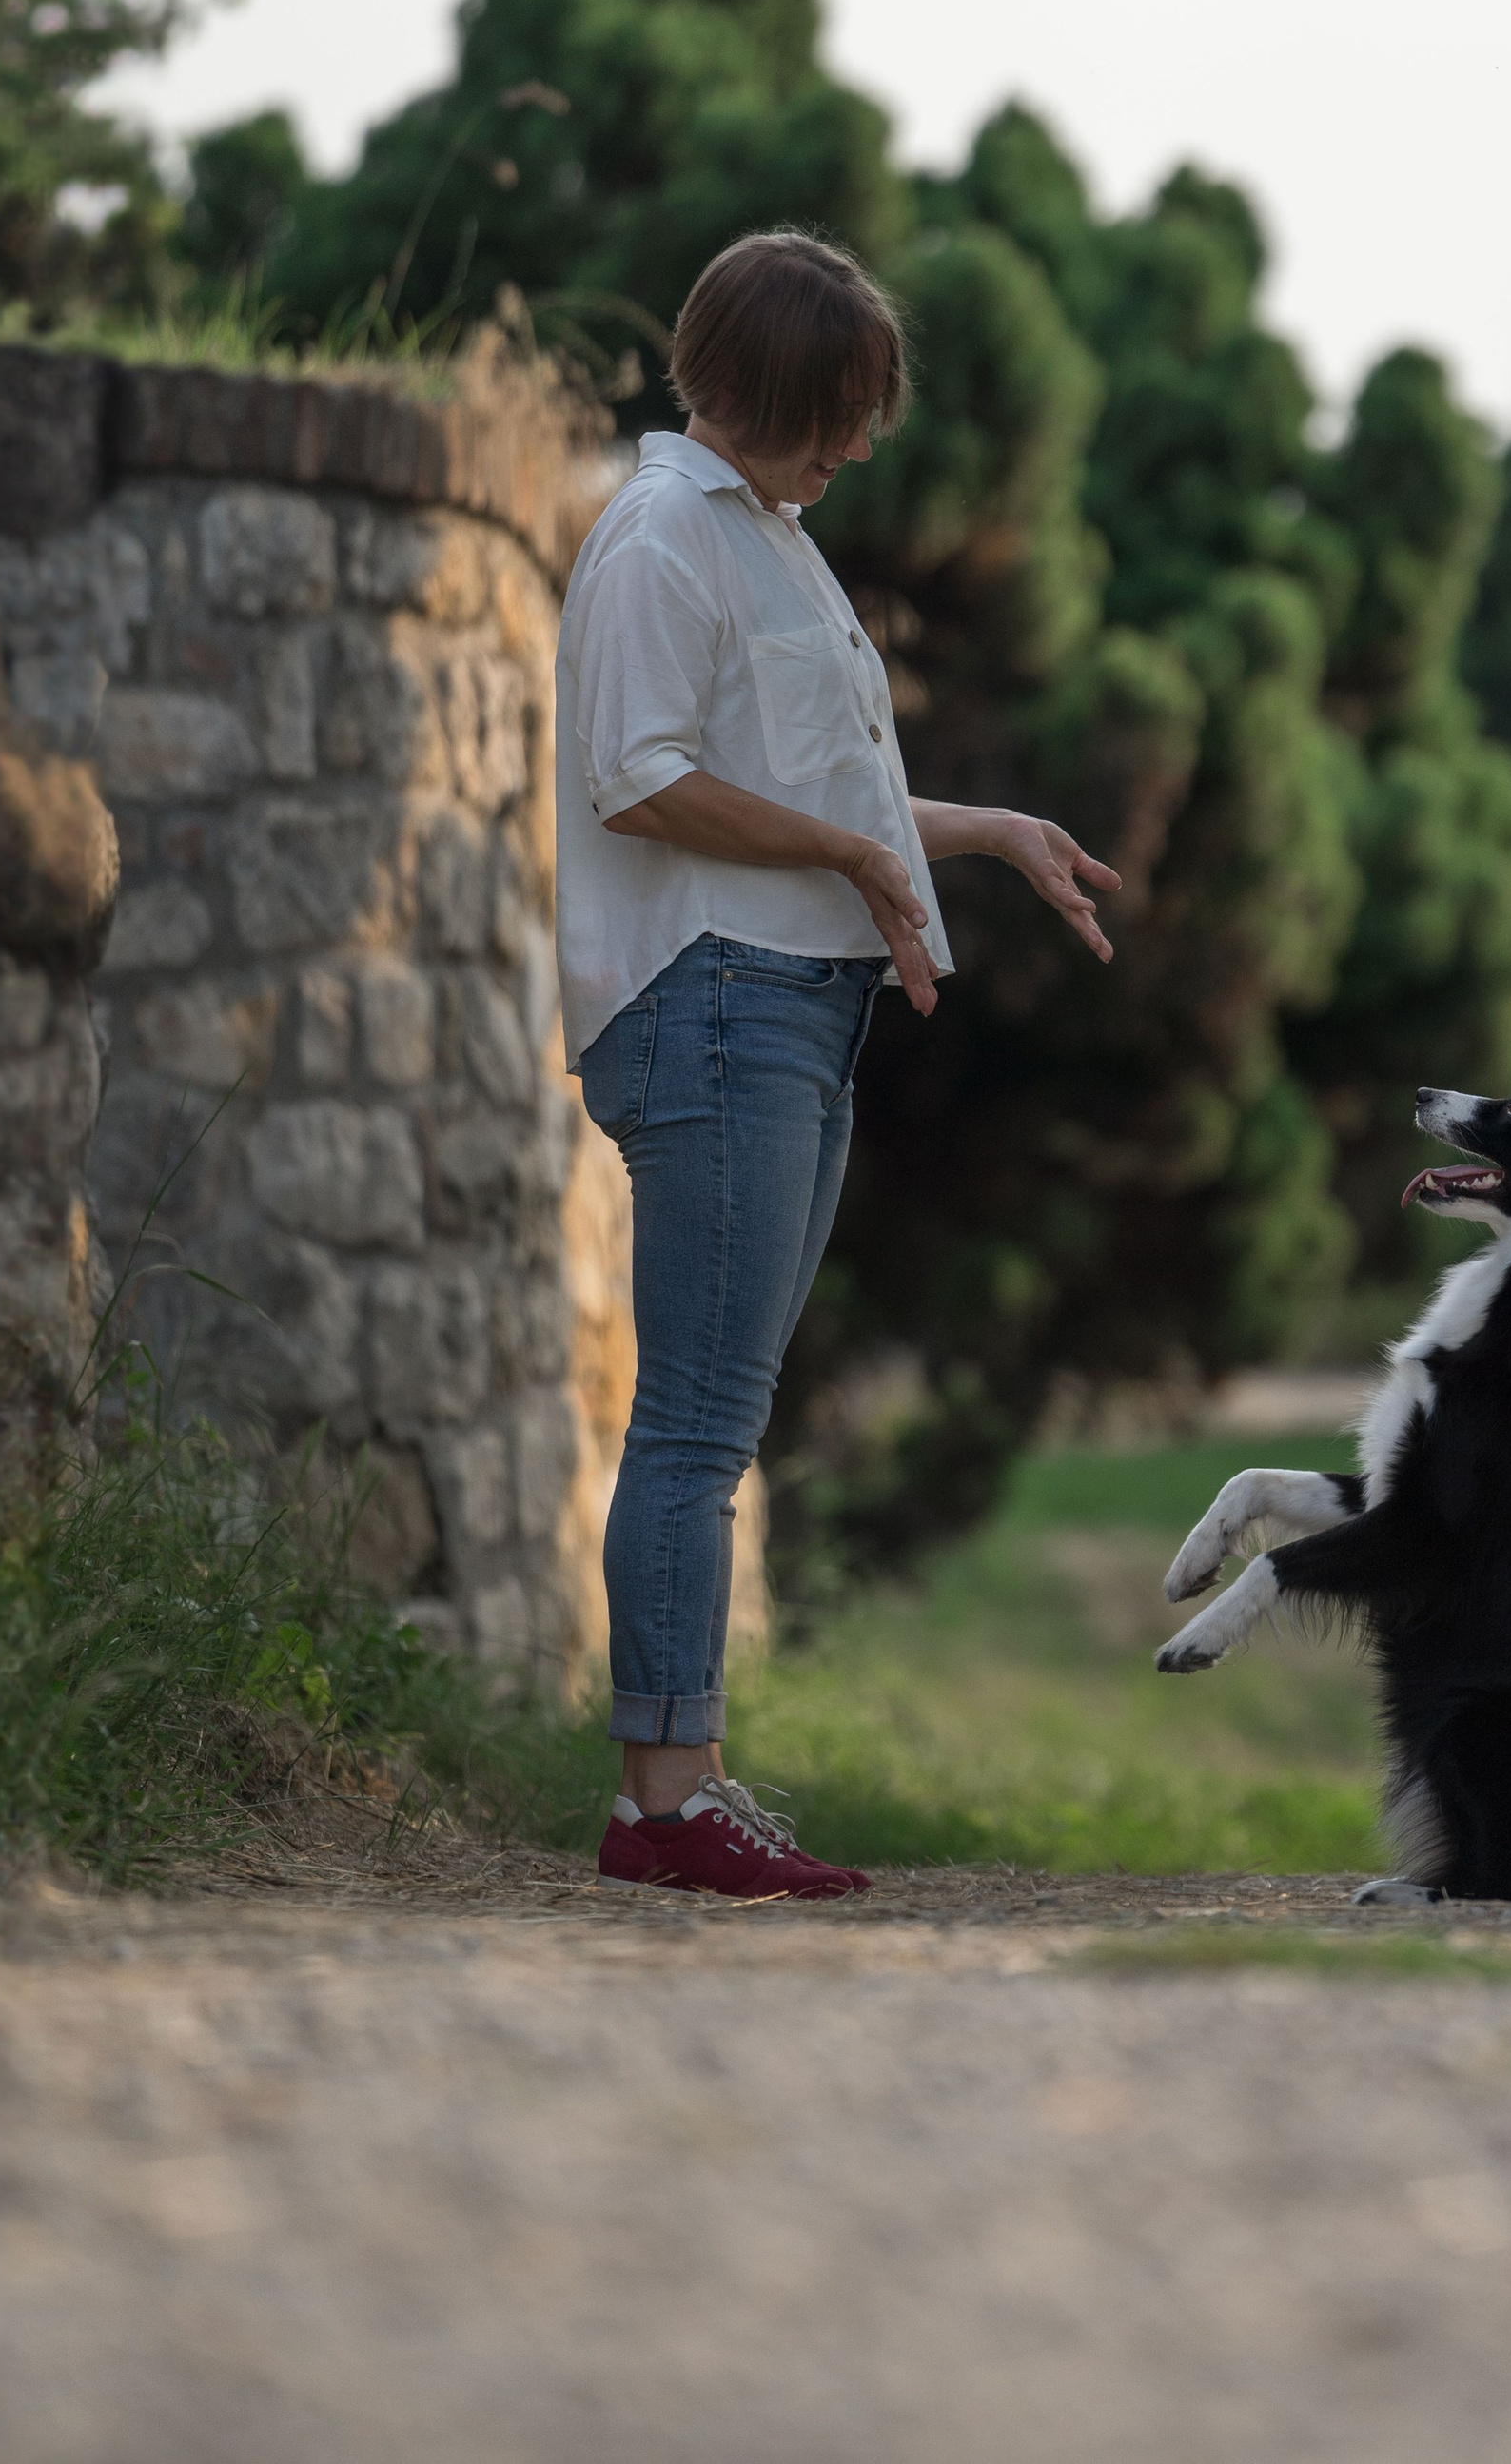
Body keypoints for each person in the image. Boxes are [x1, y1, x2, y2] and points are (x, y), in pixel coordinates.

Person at [556, 227, 1118, 1897]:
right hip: (715, 1001)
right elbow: (636, 779)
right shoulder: (666, 538)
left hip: (785, 1004)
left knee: (719, 1417)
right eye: (841, 407)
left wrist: (983, 835)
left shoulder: (768, 539)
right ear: (753, 386)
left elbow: (816, 792)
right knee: (696, 1426)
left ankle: (689, 1786)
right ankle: (663, 1808)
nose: (863, 442)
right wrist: (869, 867)